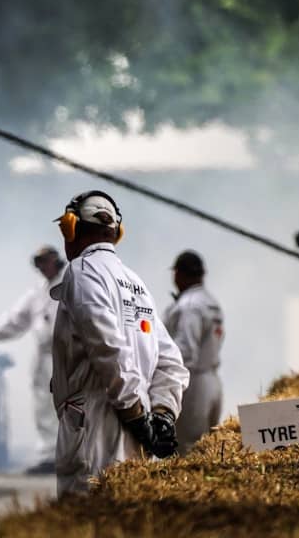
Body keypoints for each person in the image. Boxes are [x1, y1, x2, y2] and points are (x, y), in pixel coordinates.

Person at [49, 191, 189, 494]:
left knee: (85, 516)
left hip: (93, 426)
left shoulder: (81, 271)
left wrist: (135, 415)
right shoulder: (135, 283)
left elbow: (107, 348)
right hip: (138, 429)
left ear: (72, 228)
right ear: (116, 233)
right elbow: (171, 362)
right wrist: (162, 415)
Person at [0, 246, 66, 475]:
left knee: (75, 405)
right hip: (45, 356)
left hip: (73, 354)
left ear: (55, 261)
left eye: (44, 262)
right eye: (37, 263)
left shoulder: (75, 283)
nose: (40, 268)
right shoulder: (37, 293)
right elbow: (14, 321)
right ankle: (51, 456)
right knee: (44, 406)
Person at [162, 250, 224, 454]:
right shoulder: (212, 303)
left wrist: (167, 388)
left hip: (192, 384)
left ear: (178, 274)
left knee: (187, 448)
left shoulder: (189, 305)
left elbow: (185, 352)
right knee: (207, 449)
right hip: (213, 382)